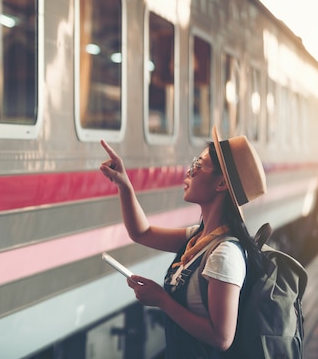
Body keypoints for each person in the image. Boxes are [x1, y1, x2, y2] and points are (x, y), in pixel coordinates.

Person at [99, 126, 267, 358]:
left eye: (198, 166)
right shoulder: (199, 238)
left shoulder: (224, 254)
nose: (189, 172)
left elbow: (222, 337)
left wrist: (161, 300)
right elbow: (141, 232)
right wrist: (124, 184)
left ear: (221, 185)